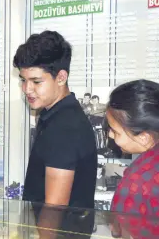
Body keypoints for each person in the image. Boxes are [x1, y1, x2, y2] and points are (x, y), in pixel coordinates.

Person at [13, 31, 97, 210]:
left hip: (55, 236)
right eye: (23, 80)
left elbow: (54, 210)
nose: (27, 89)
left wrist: (42, 238)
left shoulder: (64, 128)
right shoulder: (56, 116)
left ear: (61, 78)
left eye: (36, 81)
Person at [107, 80, 159, 216]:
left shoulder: (138, 180)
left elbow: (121, 228)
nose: (110, 135)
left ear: (144, 138)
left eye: (115, 131)